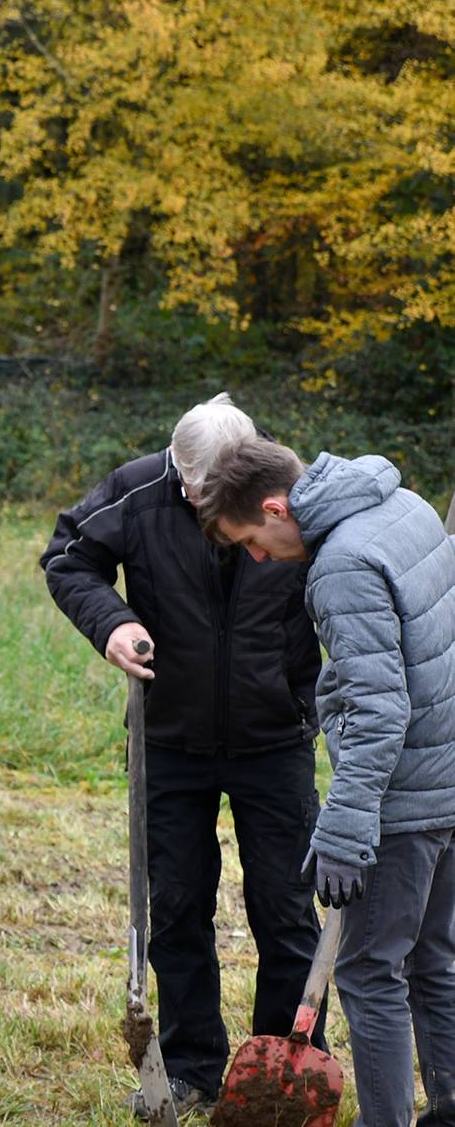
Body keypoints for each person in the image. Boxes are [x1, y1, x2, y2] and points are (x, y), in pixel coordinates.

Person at [39, 394, 321, 1110]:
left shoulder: (294, 499)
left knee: (286, 908)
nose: (203, 507)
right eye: (194, 492)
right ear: (176, 467)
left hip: (275, 737)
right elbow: (68, 556)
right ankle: (194, 1067)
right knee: (178, 905)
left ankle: (283, 1069)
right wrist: (113, 622)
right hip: (169, 736)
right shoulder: (137, 491)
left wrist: (314, 702)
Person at [198, 438, 455, 1127]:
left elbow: (379, 710)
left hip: (401, 796)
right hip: (448, 778)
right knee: (432, 959)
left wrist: (343, 830)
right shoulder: (401, 505)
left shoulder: (341, 564)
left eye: (251, 539)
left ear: (277, 507)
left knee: (370, 974)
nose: (257, 557)